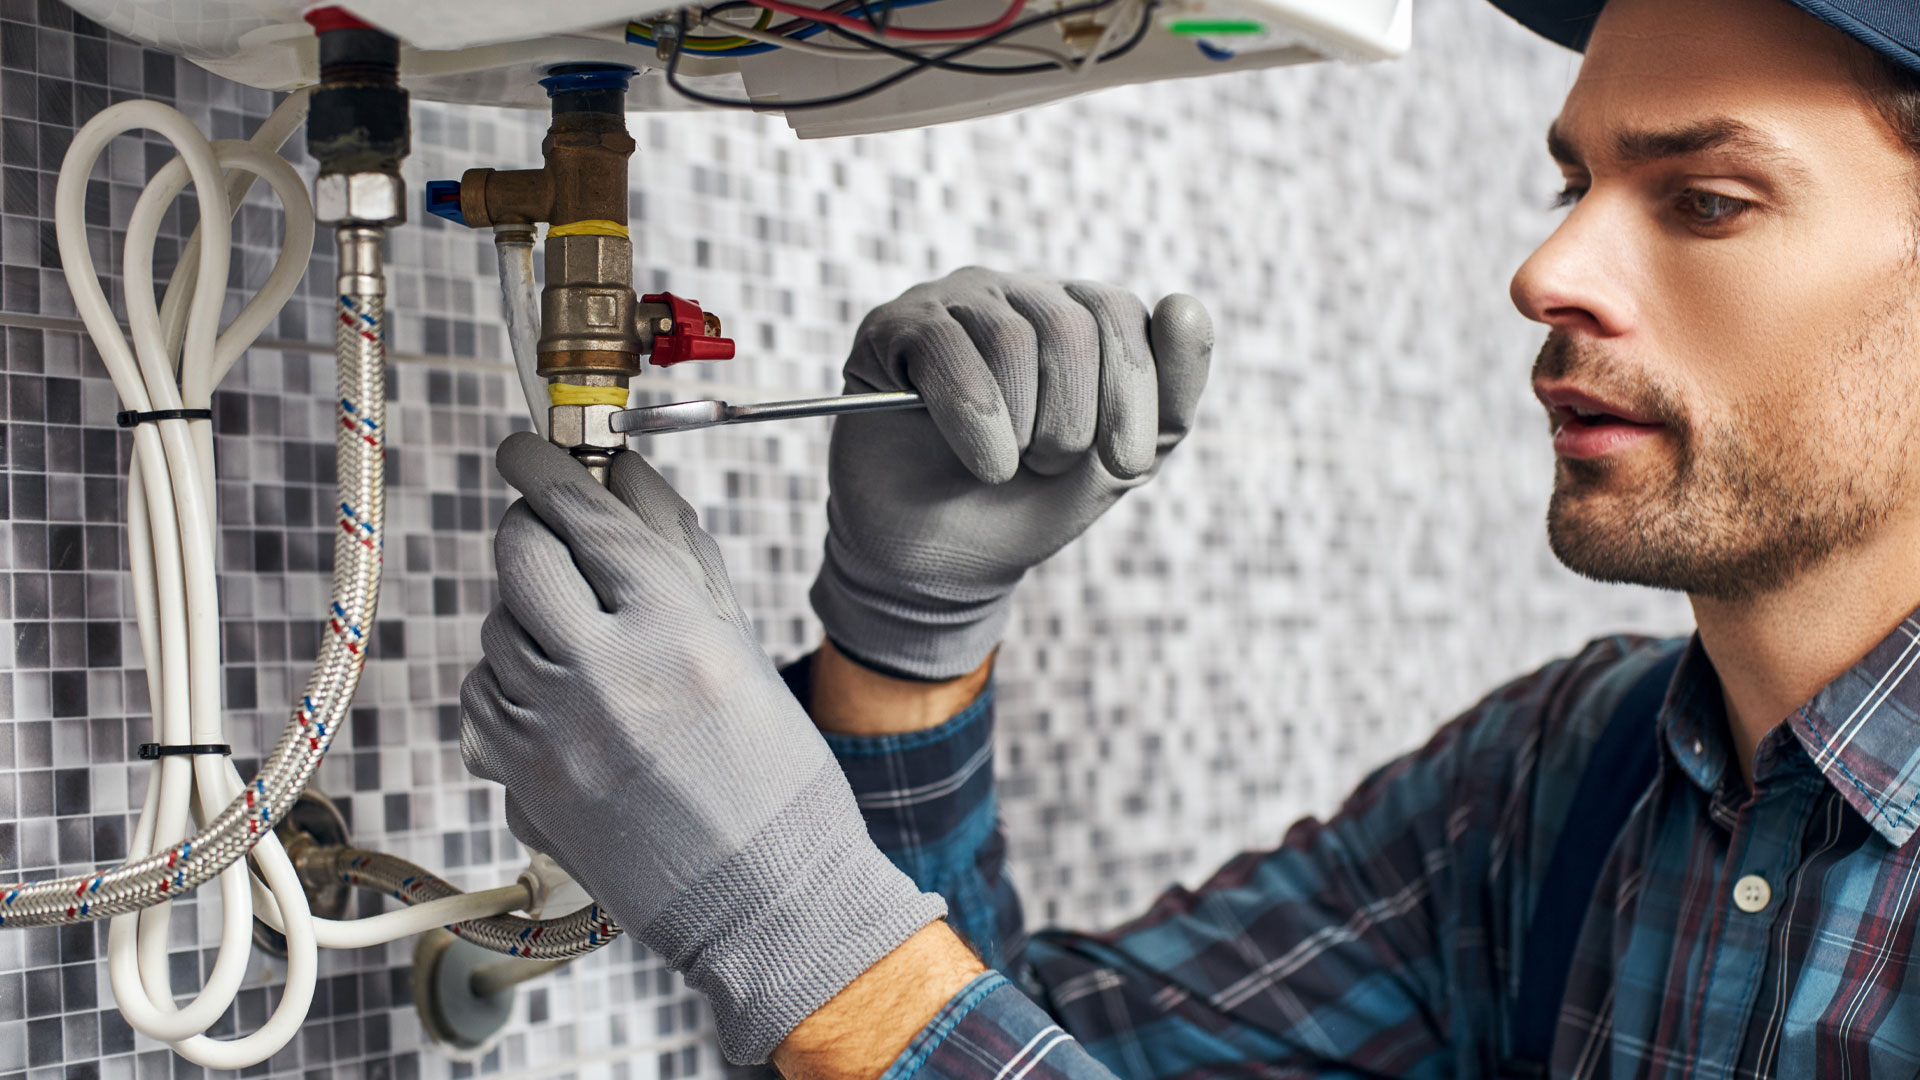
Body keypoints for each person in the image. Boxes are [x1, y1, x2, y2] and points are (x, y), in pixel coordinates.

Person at [455, 0, 1920, 1075]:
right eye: (1572, 187)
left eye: (1707, 201)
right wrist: (906, 648)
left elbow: (892, 1007)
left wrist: (794, 922)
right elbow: (1020, 1041)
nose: (1547, 270)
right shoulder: (1568, 780)